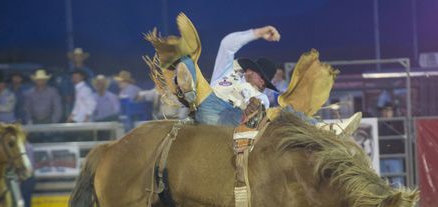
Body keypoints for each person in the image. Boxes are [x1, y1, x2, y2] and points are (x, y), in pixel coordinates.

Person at [146, 13, 361, 134]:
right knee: (188, 61)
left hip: (227, 118)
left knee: (278, 114)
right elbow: (227, 44)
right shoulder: (227, 73)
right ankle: (186, 87)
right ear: (253, 73)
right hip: (208, 106)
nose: (262, 83)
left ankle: (325, 129)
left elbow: (257, 116)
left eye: (263, 81)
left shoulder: (260, 97)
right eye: (262, 78)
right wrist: (258, 33)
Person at [378, 102, 405, 186]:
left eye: (388, 111)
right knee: (384, 183)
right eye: (384, 111)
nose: (386, 113)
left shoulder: (398, 123)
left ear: (393, 112)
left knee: (396, 182)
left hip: (394, 157)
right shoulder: (379, 124)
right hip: (383, 157)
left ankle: (400, 198)